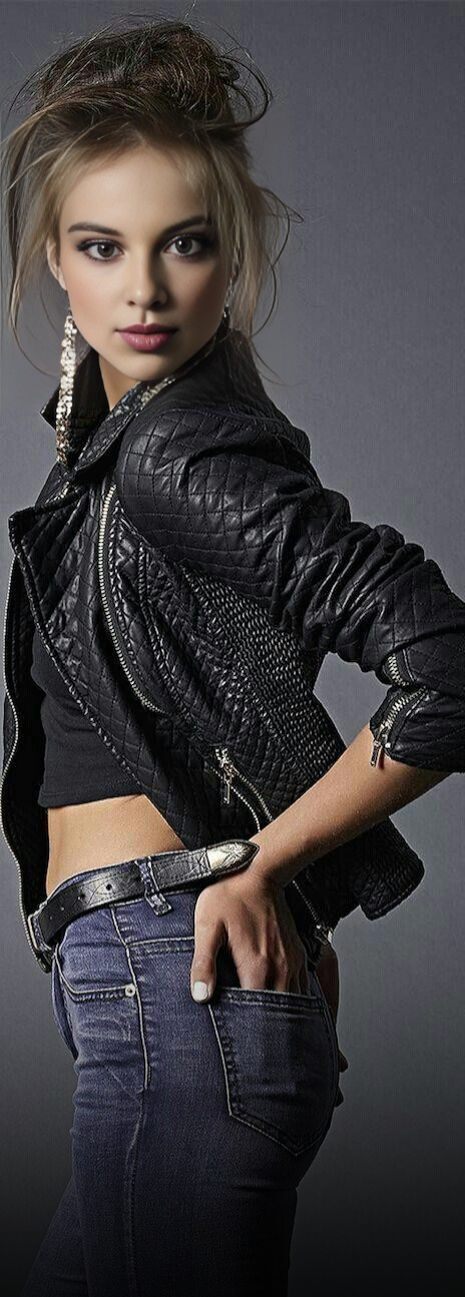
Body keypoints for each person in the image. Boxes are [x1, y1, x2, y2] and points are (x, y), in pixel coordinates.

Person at [1, 15, 464, 1297]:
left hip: (172, 992)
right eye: (104, 246)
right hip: (159, 1002)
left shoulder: (176, 450)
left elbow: (446, 665)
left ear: (232, 255)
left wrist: (272, 864)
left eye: (186, 243)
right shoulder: (123, 448)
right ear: (57, 259)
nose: (145, 289)